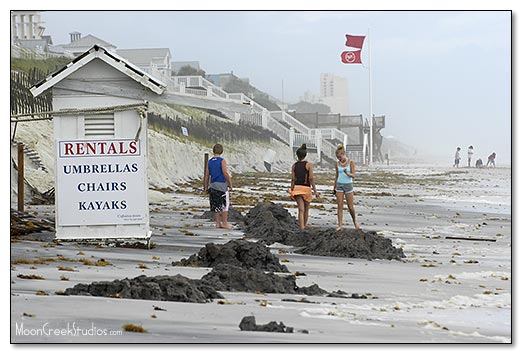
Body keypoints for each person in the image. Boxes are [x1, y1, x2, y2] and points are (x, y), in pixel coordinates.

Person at [288, 144, 319, 230]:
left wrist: (291, 190)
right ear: (305, 155)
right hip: (306, 189)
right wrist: (315, 191)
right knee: (306, 209)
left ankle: (302, 227)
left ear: (297, 155)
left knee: (301, 209)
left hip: (297, 189)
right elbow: (311, 178)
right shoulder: (309, 165)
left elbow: (293, 179)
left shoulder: (294, 165)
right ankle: (303, 226)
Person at [204, 144, 233, 229]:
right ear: (221, 151)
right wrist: (230, 183)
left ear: (213, 151)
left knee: (216, 205)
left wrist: (206, 187)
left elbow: (206, 175)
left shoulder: (210, 161)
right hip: (221, 185)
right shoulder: (222, 161)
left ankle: (217, 223)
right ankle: (224, 223)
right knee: (225, 205)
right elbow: (225, 173)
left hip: (213, 185)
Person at [333, 144, 360, 231]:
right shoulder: (337, 164)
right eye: (337, 157)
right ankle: (340, 225)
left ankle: (355, 222)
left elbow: (353, 175)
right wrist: (334, 187)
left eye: (340, 157)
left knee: (350, 207)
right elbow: (336, 176)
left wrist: (347, 173)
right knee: (339, 206)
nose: (339, 159)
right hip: (339, 185)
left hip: (348, 185)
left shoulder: (350, 162)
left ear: (343, 154)